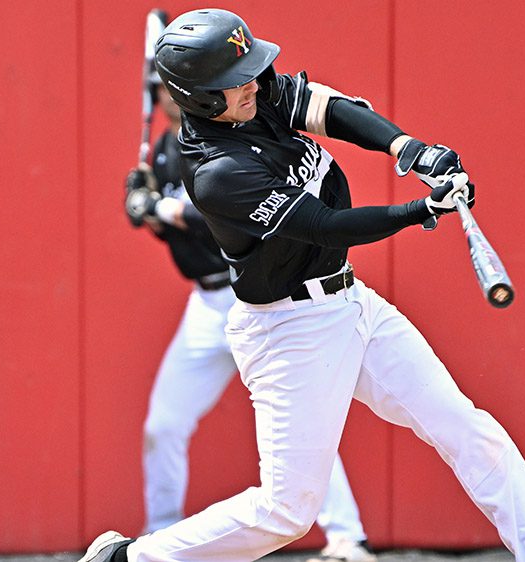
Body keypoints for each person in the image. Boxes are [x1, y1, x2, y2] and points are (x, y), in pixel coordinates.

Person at [79, 8, 525, 562]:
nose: (252, 84)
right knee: (286, 512)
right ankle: (129, 559)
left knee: (463, 426)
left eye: (249, 71)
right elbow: (320, 225)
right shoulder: (218, 171)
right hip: (288, 331)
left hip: (353, 303)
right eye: (232, 81)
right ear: (198, 99)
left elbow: (329, 109)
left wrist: (407, 149)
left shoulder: (253, 95)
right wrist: (419, 209)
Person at [123, 72, 377, 562]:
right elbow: (171, 227)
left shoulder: (231, 139)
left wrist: (162, 206)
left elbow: (214, 217)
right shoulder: (161, 152)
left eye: (165, 88)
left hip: (261, 300)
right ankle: (158, 536)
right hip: (205, 307)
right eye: (156, 89)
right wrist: (143, 206)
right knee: (164, 424)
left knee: (306, 428)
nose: (161, 97)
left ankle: (347, 536)